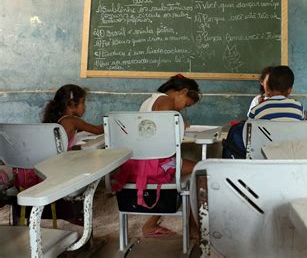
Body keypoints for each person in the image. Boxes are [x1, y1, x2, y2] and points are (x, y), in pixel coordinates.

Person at [116, 74, 200, 238]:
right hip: (155, 165)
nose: (183, 108)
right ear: (182, 91)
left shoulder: (149, 101)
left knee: (189, 170)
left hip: (139, 163)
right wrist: (181, 125)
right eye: (186, 104)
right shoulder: (166, 101)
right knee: (200, 170)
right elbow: (166, 136)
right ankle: (193, 227)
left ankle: (153, 224)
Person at [42, 84, 103, 150]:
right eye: (82, 102)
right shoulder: (72, 121)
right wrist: (110, 122)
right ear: (72, 104)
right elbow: (98, 130)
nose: (85, 107)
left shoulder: (61, 120)